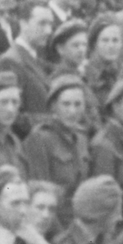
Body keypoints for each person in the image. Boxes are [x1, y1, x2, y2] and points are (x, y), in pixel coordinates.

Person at [22, 75, 91, 225]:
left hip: (80, 220)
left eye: (78, 104)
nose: (72, 111)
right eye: (66, 104)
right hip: (53, 222)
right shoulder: (40, 139)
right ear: (54, 106)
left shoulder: (81, 137)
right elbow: (40, 194)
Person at [0, 0, 53, 129]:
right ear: (23, 24)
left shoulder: (36, 57)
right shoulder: (11, 61)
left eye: (50, 24)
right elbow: (11, 115)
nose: (48, 31)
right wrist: (53, 121)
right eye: (42, 24)